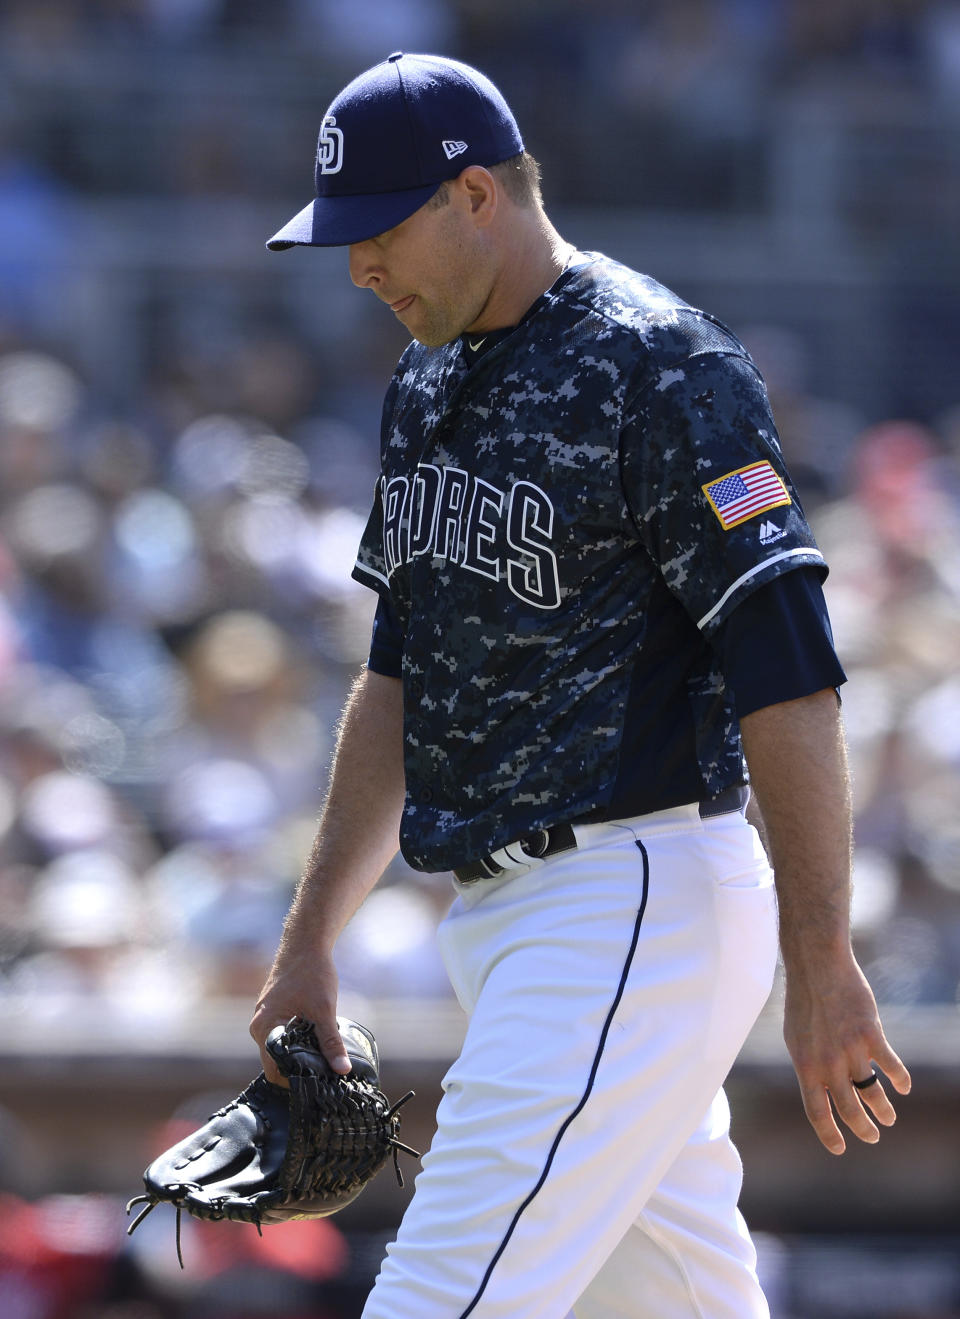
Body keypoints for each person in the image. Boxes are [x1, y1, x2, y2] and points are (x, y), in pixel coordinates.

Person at [252, 51, 911, 1319]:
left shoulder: (663, 363)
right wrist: (309, 941)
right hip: (515, 925)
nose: (358, 268)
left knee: (438, 1296)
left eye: (381, 230)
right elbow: (400, 668)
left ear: (479, 194)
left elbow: (786, 666)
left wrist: (819, 951)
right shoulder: (427, 376)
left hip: (629, 895)